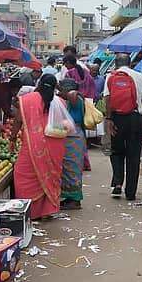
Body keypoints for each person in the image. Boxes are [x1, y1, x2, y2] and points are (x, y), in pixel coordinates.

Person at [10, 74, 67, 220]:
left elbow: (18, 120)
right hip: (55, 146)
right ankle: (46, 212)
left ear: (40, 83)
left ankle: (30, 211)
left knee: (22, 175)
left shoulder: (28, 99)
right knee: (50, 175)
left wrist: (13, 138)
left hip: (33, 146)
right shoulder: (60, 102)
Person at [103, 52, 142, 201]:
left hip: (117, 118)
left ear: (116, 64)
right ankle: (130, 192)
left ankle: (118, 182)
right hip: (135, 118)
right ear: (130, 63)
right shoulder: (140, 77)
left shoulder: (111, 76)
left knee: (117, 151)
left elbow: (107, 98)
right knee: (133, 155)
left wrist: (109, 119)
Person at [57, 78, 86, 210]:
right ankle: (69, 197)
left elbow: (72, 94)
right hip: (69, 136)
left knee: (72, 168)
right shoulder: (69, 100)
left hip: (74, 137)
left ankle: (75, 200)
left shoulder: (74, 98)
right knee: (67, 168)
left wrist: (71, 92)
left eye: (61, 89)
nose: (59, 92)